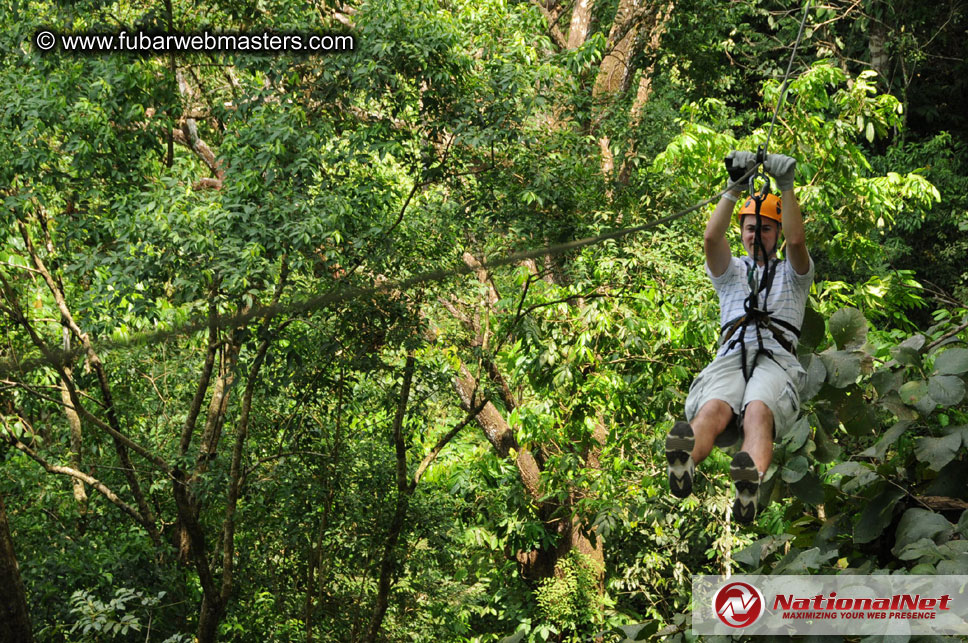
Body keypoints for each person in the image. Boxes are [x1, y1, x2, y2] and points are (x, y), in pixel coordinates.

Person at [665, 150, 813, 524]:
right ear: (743, 232)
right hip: (732, 355)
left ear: (776, 232)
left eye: (765, 228)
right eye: (751, 228)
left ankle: (748, 483)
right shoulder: (730, 273)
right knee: (713, 409)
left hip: (776, 360)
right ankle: (683, 462)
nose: (757, 234)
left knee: (758, 413)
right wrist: (733, 189)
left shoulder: (795, 276)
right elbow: (712, 237)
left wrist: (787, 185)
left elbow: (797, 244)